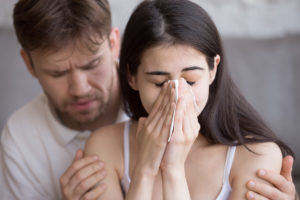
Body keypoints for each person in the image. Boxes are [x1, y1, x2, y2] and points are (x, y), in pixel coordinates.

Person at [0, 0, 297, 199]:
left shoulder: (258, 155)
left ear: (213, 70)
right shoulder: (103, 144)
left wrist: (172, 167)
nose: (176, 95)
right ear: (133, 77)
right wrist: (146, 169)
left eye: (190, 80)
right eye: (158, 82)